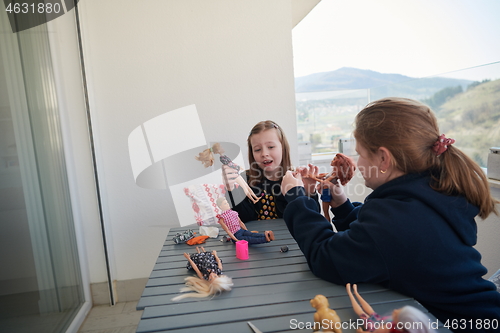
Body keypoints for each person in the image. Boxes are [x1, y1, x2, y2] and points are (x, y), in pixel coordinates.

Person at [281, 98, 500, 329]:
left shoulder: (396, 219)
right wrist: (342, 205)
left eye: (361, 154)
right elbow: (375, 240)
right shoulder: (427, 194)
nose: (358, 163)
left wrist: (295, 198)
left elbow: (325, 257)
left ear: (384, 159)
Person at [224, 120, 318, 222]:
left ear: (283, 147)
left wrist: (310, 191)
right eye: (257, 149)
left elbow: (312, 220)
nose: (264, 153)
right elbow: (244, 220)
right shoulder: (244, 179)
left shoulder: (296, 180)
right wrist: (231, 190)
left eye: (271, 147)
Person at [346, 283, 436, 333]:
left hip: (374, 328)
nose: (395, 310)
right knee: (371, 311)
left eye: (398, 313)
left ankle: (350, 293)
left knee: (363, 314)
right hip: (381, 322)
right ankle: (356, 293)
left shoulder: (391, 329)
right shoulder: (395, 326)